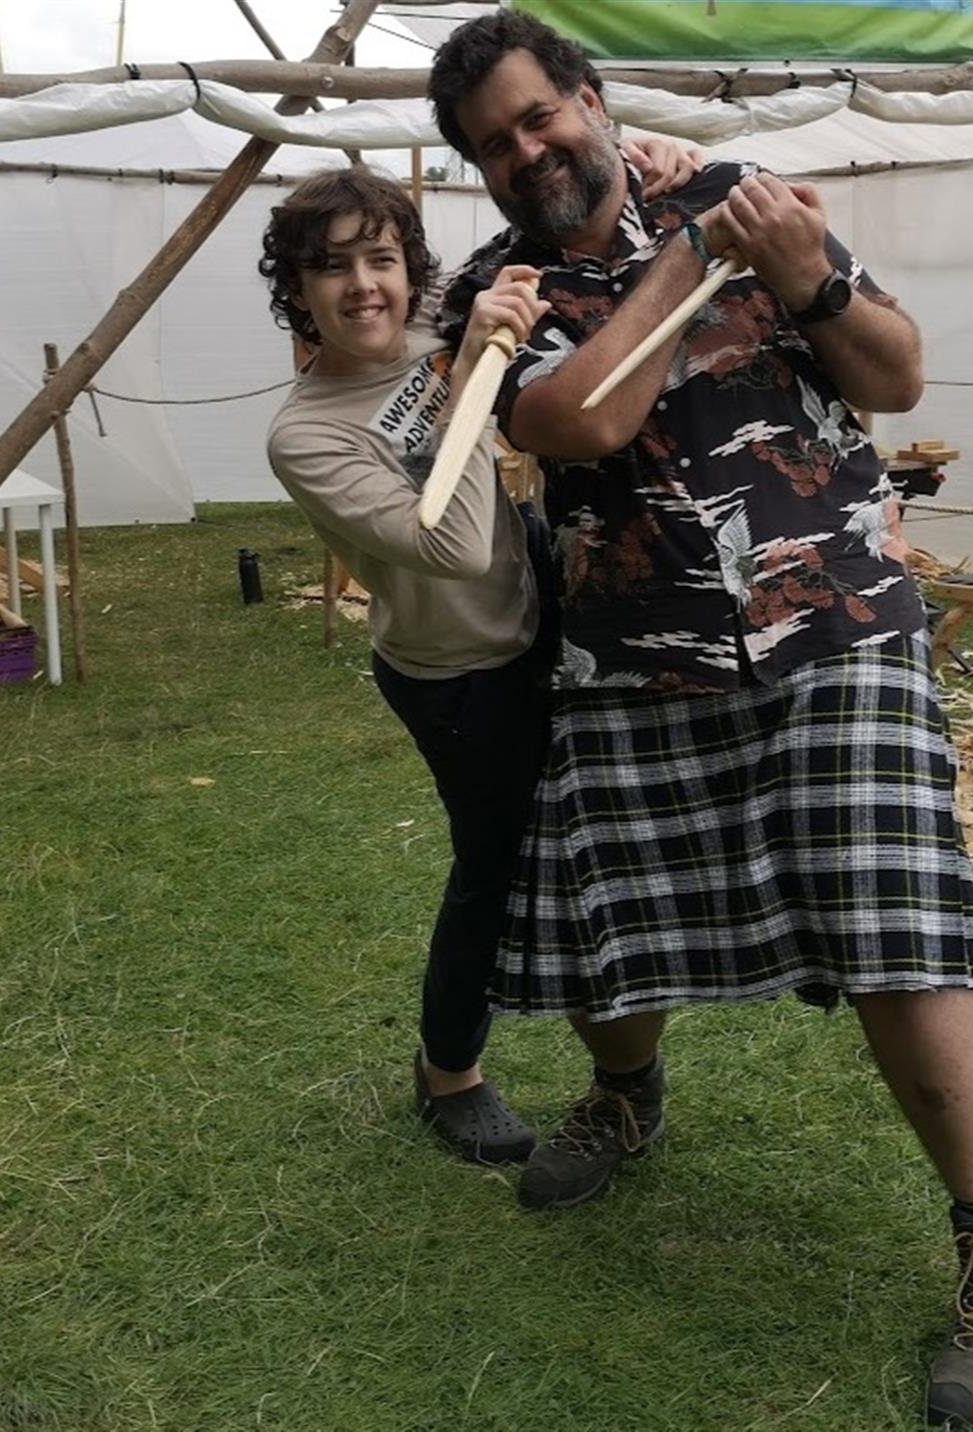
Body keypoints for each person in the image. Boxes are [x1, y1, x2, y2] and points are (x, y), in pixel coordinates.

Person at [427, 14, 973, 1431]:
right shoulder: (496, 293)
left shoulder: (746, 201)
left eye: (540, 117)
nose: (527, 153)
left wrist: (803, 270)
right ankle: (627, 1094)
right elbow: (579, 424)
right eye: (494, 145)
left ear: (591, 98)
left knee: (890, 905)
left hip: (836, 615)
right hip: (633, 650)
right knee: (609, 918)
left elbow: (895, 376)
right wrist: (689, 254)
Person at [259, 151, 698, 1167]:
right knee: (493, 870)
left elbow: (550, 228)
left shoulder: (429, 324)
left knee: (581, 838)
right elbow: (451, 543)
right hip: (455, 670)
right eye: (331, 267)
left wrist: (652, 164)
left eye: (380, 259)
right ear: (299, 291)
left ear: (409, 268)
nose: (363, 286)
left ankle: (619, 1054)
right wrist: (468, 375)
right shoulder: (308, 436)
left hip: (538, 603)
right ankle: (447, 1070)